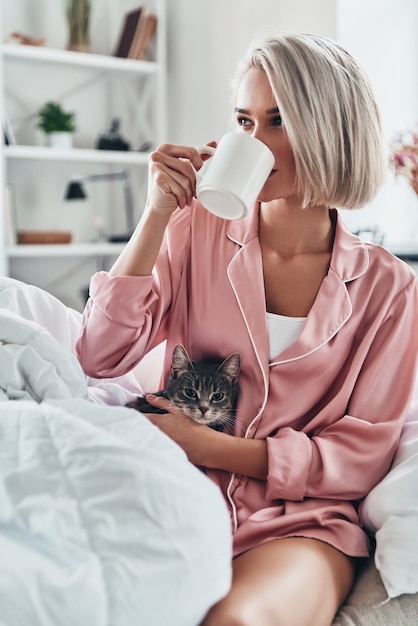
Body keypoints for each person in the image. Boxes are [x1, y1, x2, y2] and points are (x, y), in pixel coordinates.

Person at [76, 33, 418, 626]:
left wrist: (213, 447)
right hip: (175, 493)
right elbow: (98, 354)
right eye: (243, 120)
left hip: (300, 523)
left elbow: (360, 456)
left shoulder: (390, 289)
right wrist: (155, 215)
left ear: (328, 130)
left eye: (277, 120)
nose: (252, 141)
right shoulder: (192, 234)